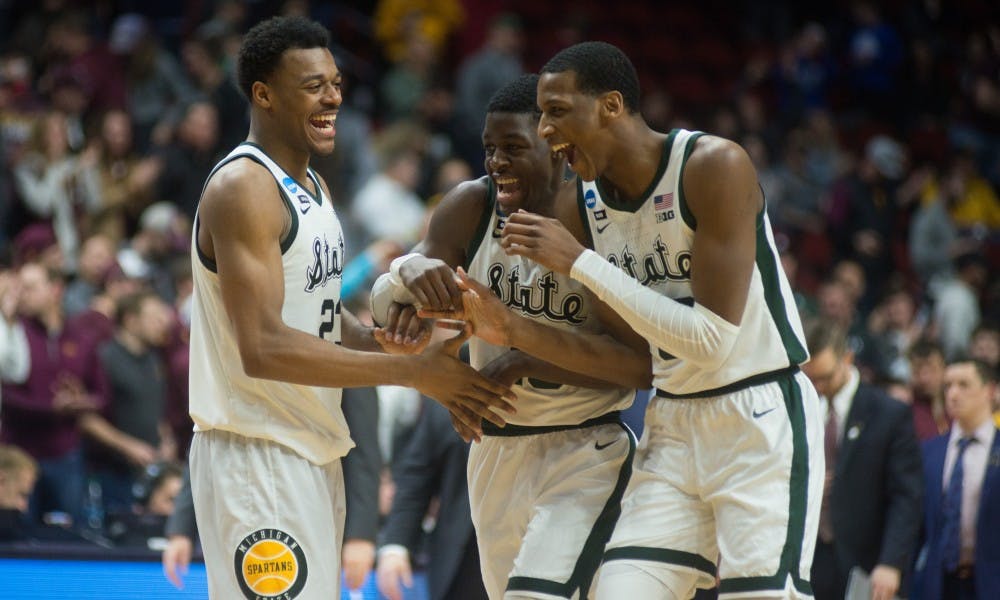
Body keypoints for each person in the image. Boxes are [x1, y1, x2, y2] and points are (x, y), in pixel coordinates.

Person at [187, 16, 514, 600]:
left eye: (335, 82)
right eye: (313, 85)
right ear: (263, 94)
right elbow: (262, 348)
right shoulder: (243, 187)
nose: (333, 96)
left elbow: (320, 321)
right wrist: (413, 374)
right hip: (257, 454)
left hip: (312, 448)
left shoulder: (312, 186)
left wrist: (398, 343)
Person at [488, 42, 823, 599]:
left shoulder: (713, 166)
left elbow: (711, 341)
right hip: (671, 424)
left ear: (611, 106)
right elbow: (630, 350)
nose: (545, 129)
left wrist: (581, 263)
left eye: (557, 110)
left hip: (759, 417)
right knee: (620, 589)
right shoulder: (581, 203)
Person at [373, 73, 651, 599]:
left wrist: (524, 361)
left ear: (557, 151)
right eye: (489, 149)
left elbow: (639, 365)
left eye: (513, 148)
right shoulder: (469, 207)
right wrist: (406, 271)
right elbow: (387, 308)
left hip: (584, 445)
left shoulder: (599, 224)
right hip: (494, 450)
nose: (496, 161)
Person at [801, 320, 923, 600]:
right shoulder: (804, 411)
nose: (818, 386)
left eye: (826, 377)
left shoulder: (888, 413)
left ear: (847, 357)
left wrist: (891, 562)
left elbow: (906, 497)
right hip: (811, 557)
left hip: (868, 562)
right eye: (811, 378)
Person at [376, 399, 487, 600]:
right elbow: (417, 477)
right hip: (463, 561)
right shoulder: (450, 395)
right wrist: (396, 545)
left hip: (534, 548)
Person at [912, 359, 999, 600]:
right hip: (938, 583)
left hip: (990, 583)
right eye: (948, 385)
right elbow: (916, 523)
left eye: (964, 385)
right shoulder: (930, 451)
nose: (953, 394)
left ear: (990, 391)